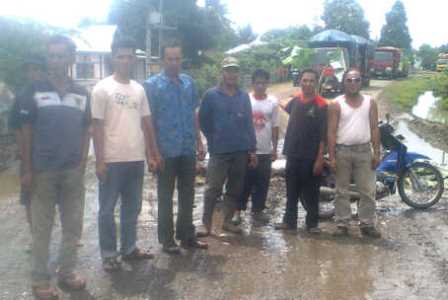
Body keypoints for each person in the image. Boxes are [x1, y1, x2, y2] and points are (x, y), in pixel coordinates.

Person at [17, 35, 90, 299]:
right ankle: (39, 281)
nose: (54, 61)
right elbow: (25, 131)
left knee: (73, 227)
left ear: (71, 58)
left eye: (60, 55)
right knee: (42, 229)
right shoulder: (33, 91)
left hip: (72, 171)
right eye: (51, 55)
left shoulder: (82, 94)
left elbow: (86, 129)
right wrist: (26, 169)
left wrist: (82, 160)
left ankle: (67, 272)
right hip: (43, 172)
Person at [91, 37, 161, 271]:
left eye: (130, 56)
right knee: (107, 210)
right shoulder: (102, 89)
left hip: (135, 159)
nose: (126, 60)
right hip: (111, 160)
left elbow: (147, 122)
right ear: (113, 58)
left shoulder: (139, 89)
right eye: (121, 55)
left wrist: (152, 153)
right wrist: (99, 161)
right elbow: (96, 127)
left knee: (133, 208)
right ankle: (109, 253)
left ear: (134, 59)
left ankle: (129, 248)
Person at [143, 42, 208, 254]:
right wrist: (152, 152)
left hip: (187, 148)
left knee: (188, 194)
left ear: (182, 59)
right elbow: (147, 121)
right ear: (163, 60)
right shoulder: (152, 86)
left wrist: (199, 141)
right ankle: (167, 240)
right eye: (169, 59)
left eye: (177, 58)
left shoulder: (188, 83)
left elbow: (193, 114)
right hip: (165, 151)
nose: (173, 62)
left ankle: (187, 236)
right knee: (165, 196)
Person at [199, 57, 257, 235]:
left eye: (234, 70)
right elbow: (203, 120)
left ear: (238, 73)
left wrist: (252, 150)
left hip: (240, 150)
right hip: (219, 151)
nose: (231, 74)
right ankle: (206, 224)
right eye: (228, 70)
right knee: (212, 188)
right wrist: (213, 137)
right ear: (222, 73)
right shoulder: (211, 95)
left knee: (234, 188)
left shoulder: (243, 96)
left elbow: (248, 123)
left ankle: (227, 221)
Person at [327, 68, 381, 238]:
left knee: (367, 190)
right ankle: (342, 223)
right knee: (341, 190)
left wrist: (376, 153)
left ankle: (367, 224)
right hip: (342, 151)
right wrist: (332, 156)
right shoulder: (336, 103)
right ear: (344, 82)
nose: (353, 83)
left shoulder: (370, 102)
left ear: (361, 82)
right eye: (349, 80)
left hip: (364, 151)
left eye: (356, 80)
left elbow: (374, 128)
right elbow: (331, 132)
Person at [274, 69, 327, 233]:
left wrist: (320, 159)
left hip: (311, 157)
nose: (308, 84)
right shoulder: (296, 101)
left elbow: (323, 136)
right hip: (292, 153)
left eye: (311, 81)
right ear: (300, 82)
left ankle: (312, 224)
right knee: (291, 190)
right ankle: (289, 222)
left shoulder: (322, 105)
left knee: (311, 191)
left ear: (316, 83)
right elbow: (284, 105)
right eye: (304, 80)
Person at [233, 69, 279, 225]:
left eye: (263, 82)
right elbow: (239, 124)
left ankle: (257, 211)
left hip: (265, 150)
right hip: (246, 150)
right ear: (252, 84)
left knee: (262, 182)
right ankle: (237, 211)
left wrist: (274, 149)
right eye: (257, 82)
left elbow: (275, 126)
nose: (260, 86)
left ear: (268, 83)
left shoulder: (272, 102)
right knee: (243, 181)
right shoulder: (245, 99)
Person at [9, 55, 47, 236]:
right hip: (29, 154)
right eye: (30, 70)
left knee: (55, 196)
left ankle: (62, 234)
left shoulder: (52, 93)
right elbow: (15, 127)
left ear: (44, 71)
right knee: (29, 195)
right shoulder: (21, 97)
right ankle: (35, 235)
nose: (34, 73)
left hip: (49, 155)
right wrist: (25, 156)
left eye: (37, 69)